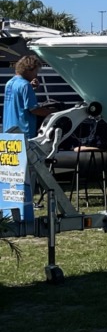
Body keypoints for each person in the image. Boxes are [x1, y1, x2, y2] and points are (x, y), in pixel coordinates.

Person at [3, 55, 49, 228]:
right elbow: (33, 109)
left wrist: (31, 89)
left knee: (10, 175)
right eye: (36, 70)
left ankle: (10, 209)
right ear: (30, 69)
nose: (36, 74)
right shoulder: (25, 86)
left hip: (8, 133)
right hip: (24, 134)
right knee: (27, 175)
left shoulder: (10, 84)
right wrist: (50, 113)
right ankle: (27, 208)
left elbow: (19, 100)